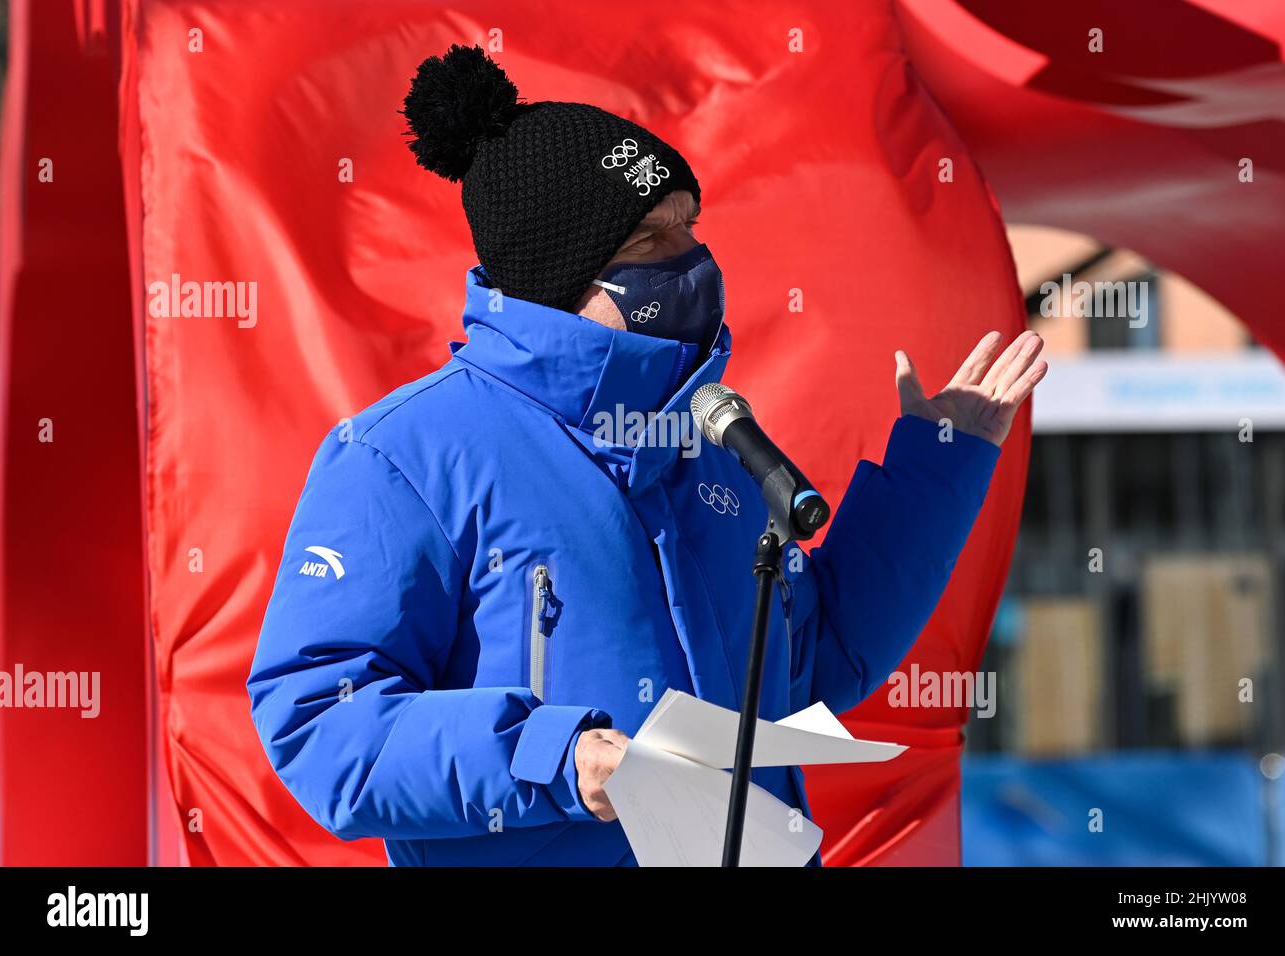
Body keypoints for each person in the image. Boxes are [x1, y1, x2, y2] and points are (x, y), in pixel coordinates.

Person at [247, 45, 1046, 866]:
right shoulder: (403, 456)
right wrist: (562, 759)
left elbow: (810, 668)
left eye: (689, 223)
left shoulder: (708, 442)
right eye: (648, 237)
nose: (689, 259)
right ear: (559, 275)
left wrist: (936, 471)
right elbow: (318, 722)